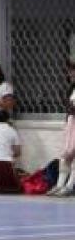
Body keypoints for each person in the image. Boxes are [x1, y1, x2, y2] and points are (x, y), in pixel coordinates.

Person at [50, 60, 75, 195]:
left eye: (73, 70)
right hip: (71, 122)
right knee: (65, 154)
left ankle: (69, 186)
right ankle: (60, 184)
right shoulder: (72, 88)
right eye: (70, 71)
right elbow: (69, 108)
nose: (71, 73)